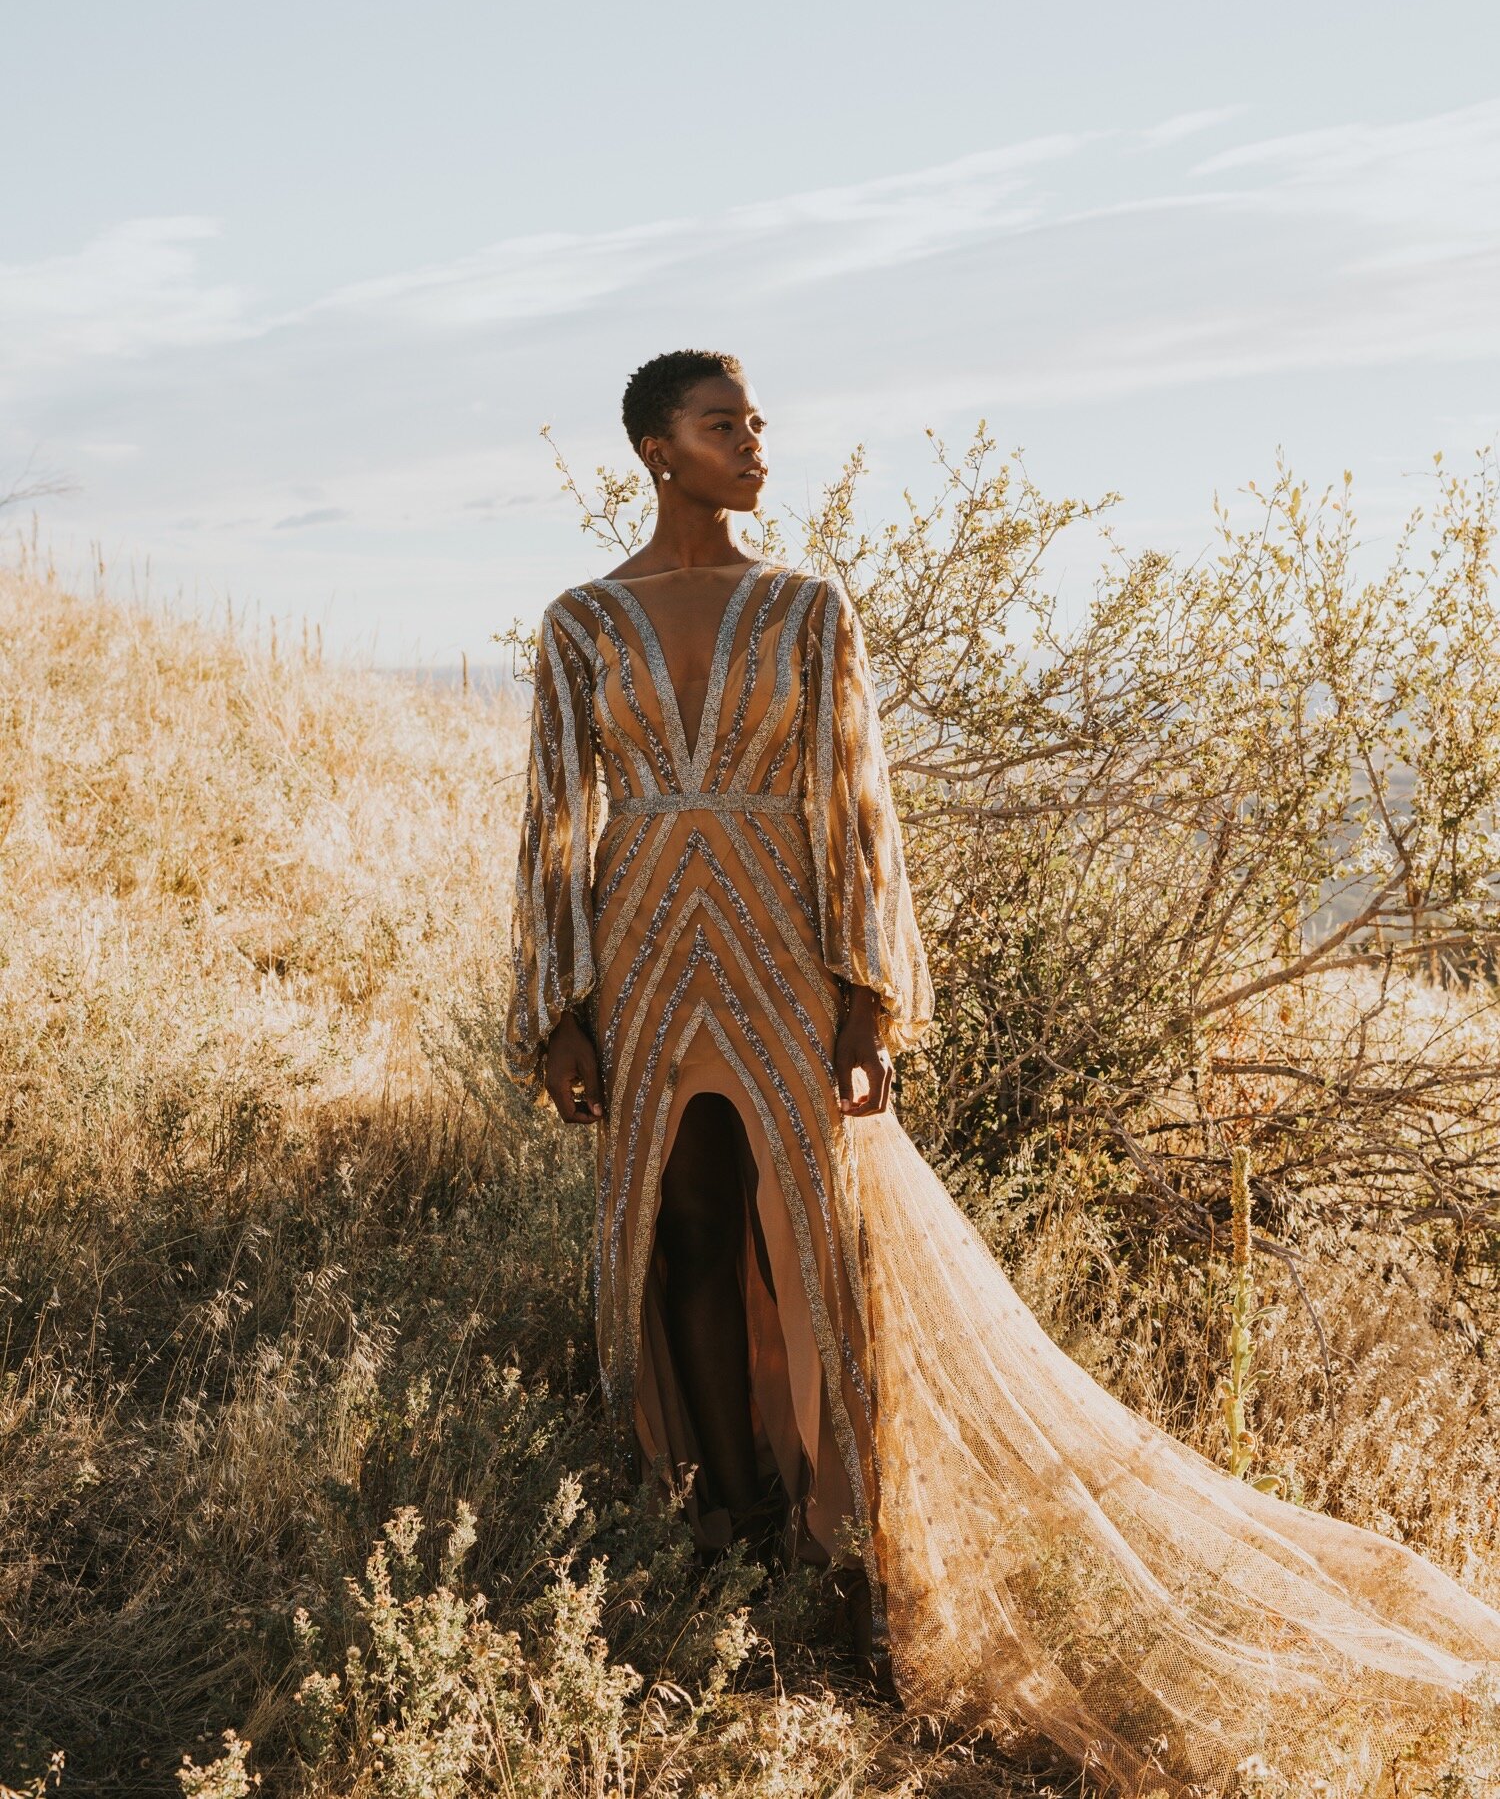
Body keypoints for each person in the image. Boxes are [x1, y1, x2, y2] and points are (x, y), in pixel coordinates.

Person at [507, 349, 1500, 1797]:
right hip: (651, 948)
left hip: (783, 951)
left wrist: (868, 996)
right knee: (689, 1233)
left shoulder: (807, 608)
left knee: (817, 1238)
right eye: (727, 425)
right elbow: (551, 815)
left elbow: (856, 803)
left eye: (760, 421)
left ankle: (843, 1551)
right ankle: (721, 1529)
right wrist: (556, 1005)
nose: (757, 442)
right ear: (658, 449)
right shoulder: (580, 622)